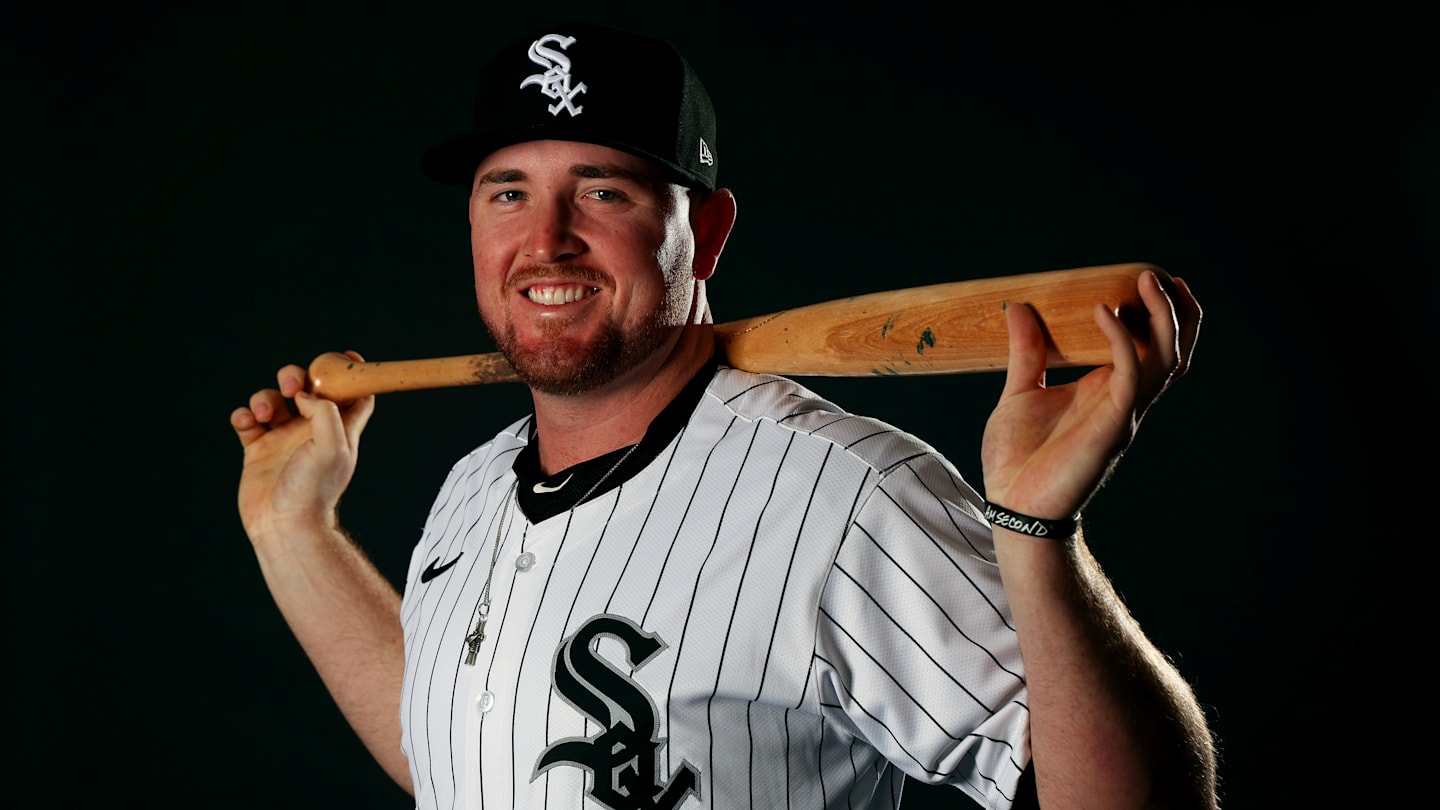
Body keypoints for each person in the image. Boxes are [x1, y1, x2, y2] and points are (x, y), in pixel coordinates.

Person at [231, 21, 1217, 810]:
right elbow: (458, 762)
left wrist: (1038, 535)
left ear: (704, 233)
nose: (546, 242)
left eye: (603, 190)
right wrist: (293, 530)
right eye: (507, 192)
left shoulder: (847, 494)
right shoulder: (473, 485)